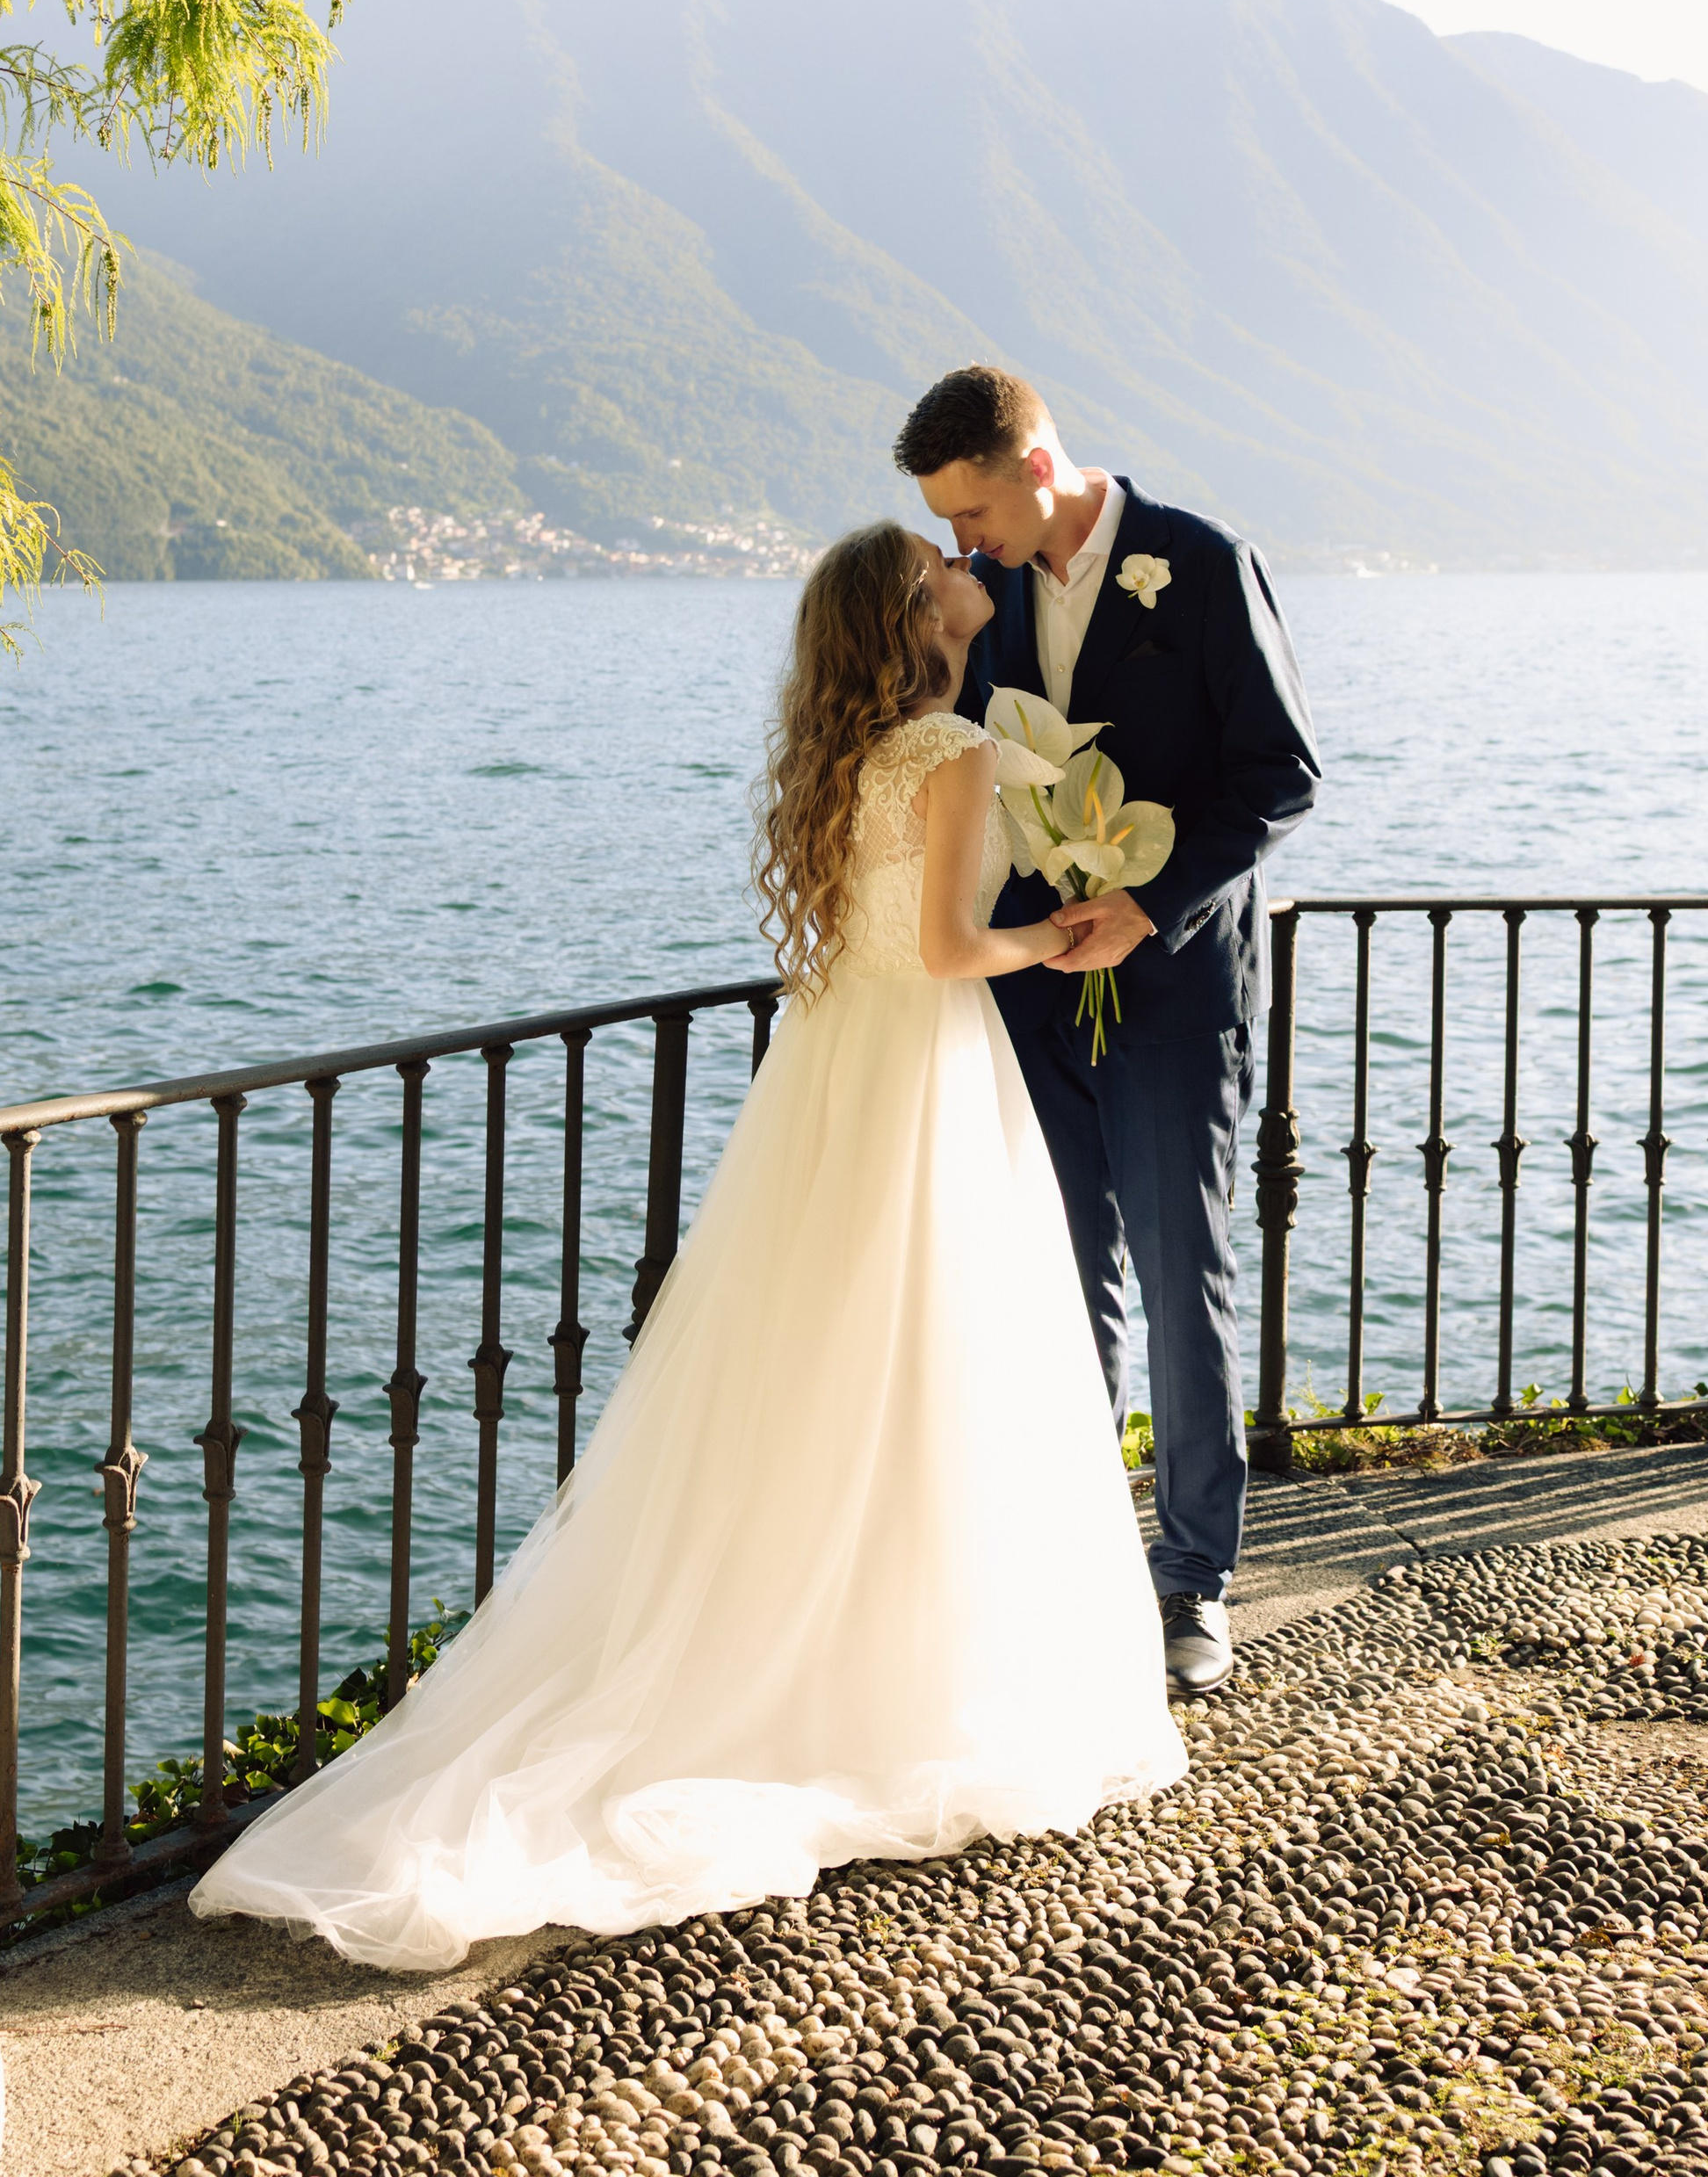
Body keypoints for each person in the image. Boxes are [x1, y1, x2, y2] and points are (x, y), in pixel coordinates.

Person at [190, 521, 1184, 1970]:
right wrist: (1073, 932)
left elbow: (873, 937)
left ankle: (822, 1639)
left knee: (825, 1362)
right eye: (943, 558)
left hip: (836, 1070)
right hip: (924, 1071)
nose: (973, 563)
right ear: (925, 610)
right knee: (932, 1361)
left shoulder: (859, 749)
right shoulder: (954, 747)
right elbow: (951, 948)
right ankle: (901, 1668)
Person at [896, 366, 1321, 1697]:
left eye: (973, 509)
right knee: (1061, 1273)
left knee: (1184, 1275)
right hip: (1029, 990)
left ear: (1034, 463)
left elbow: (1283, 774)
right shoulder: (990, 591)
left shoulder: (1198, 563)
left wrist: (1149, 898)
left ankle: (1193, 1577)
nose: (964, 543)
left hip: (1178, 983)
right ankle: (1074, 1555)